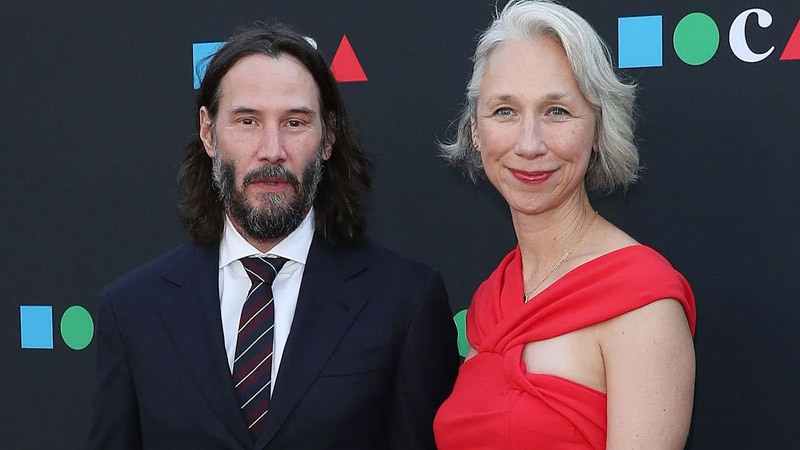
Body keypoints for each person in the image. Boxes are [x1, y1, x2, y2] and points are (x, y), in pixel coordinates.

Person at [88, 23, 459, 450]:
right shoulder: (134, 308)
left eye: (295, 122)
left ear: (327, 137)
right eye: (247, 121)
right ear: (209, 133)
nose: (272, 149)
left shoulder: (405, 302)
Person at [433, 1, 696, 449]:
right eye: (504, 111)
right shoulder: (491, 299)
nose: (529, 143)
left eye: (557, 111)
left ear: (597, 129)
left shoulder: (641, 302)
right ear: (475, 131)